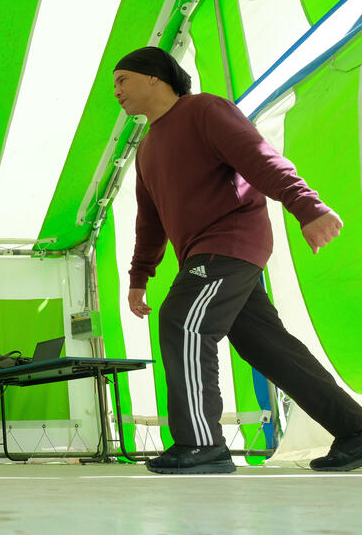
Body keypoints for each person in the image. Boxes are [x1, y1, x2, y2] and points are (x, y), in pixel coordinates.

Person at [115, 45, 362, 475]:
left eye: (123, 80)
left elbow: (258, 158)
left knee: (183, 319)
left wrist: (306, 206)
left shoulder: (204, 110)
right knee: (268, 347)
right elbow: (149, 222)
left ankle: (200, 443)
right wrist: (138, 278)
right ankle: (355, 429)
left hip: (229, 240)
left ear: (154, 75)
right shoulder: (146, 149)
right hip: (206, 252)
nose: (117, 91)